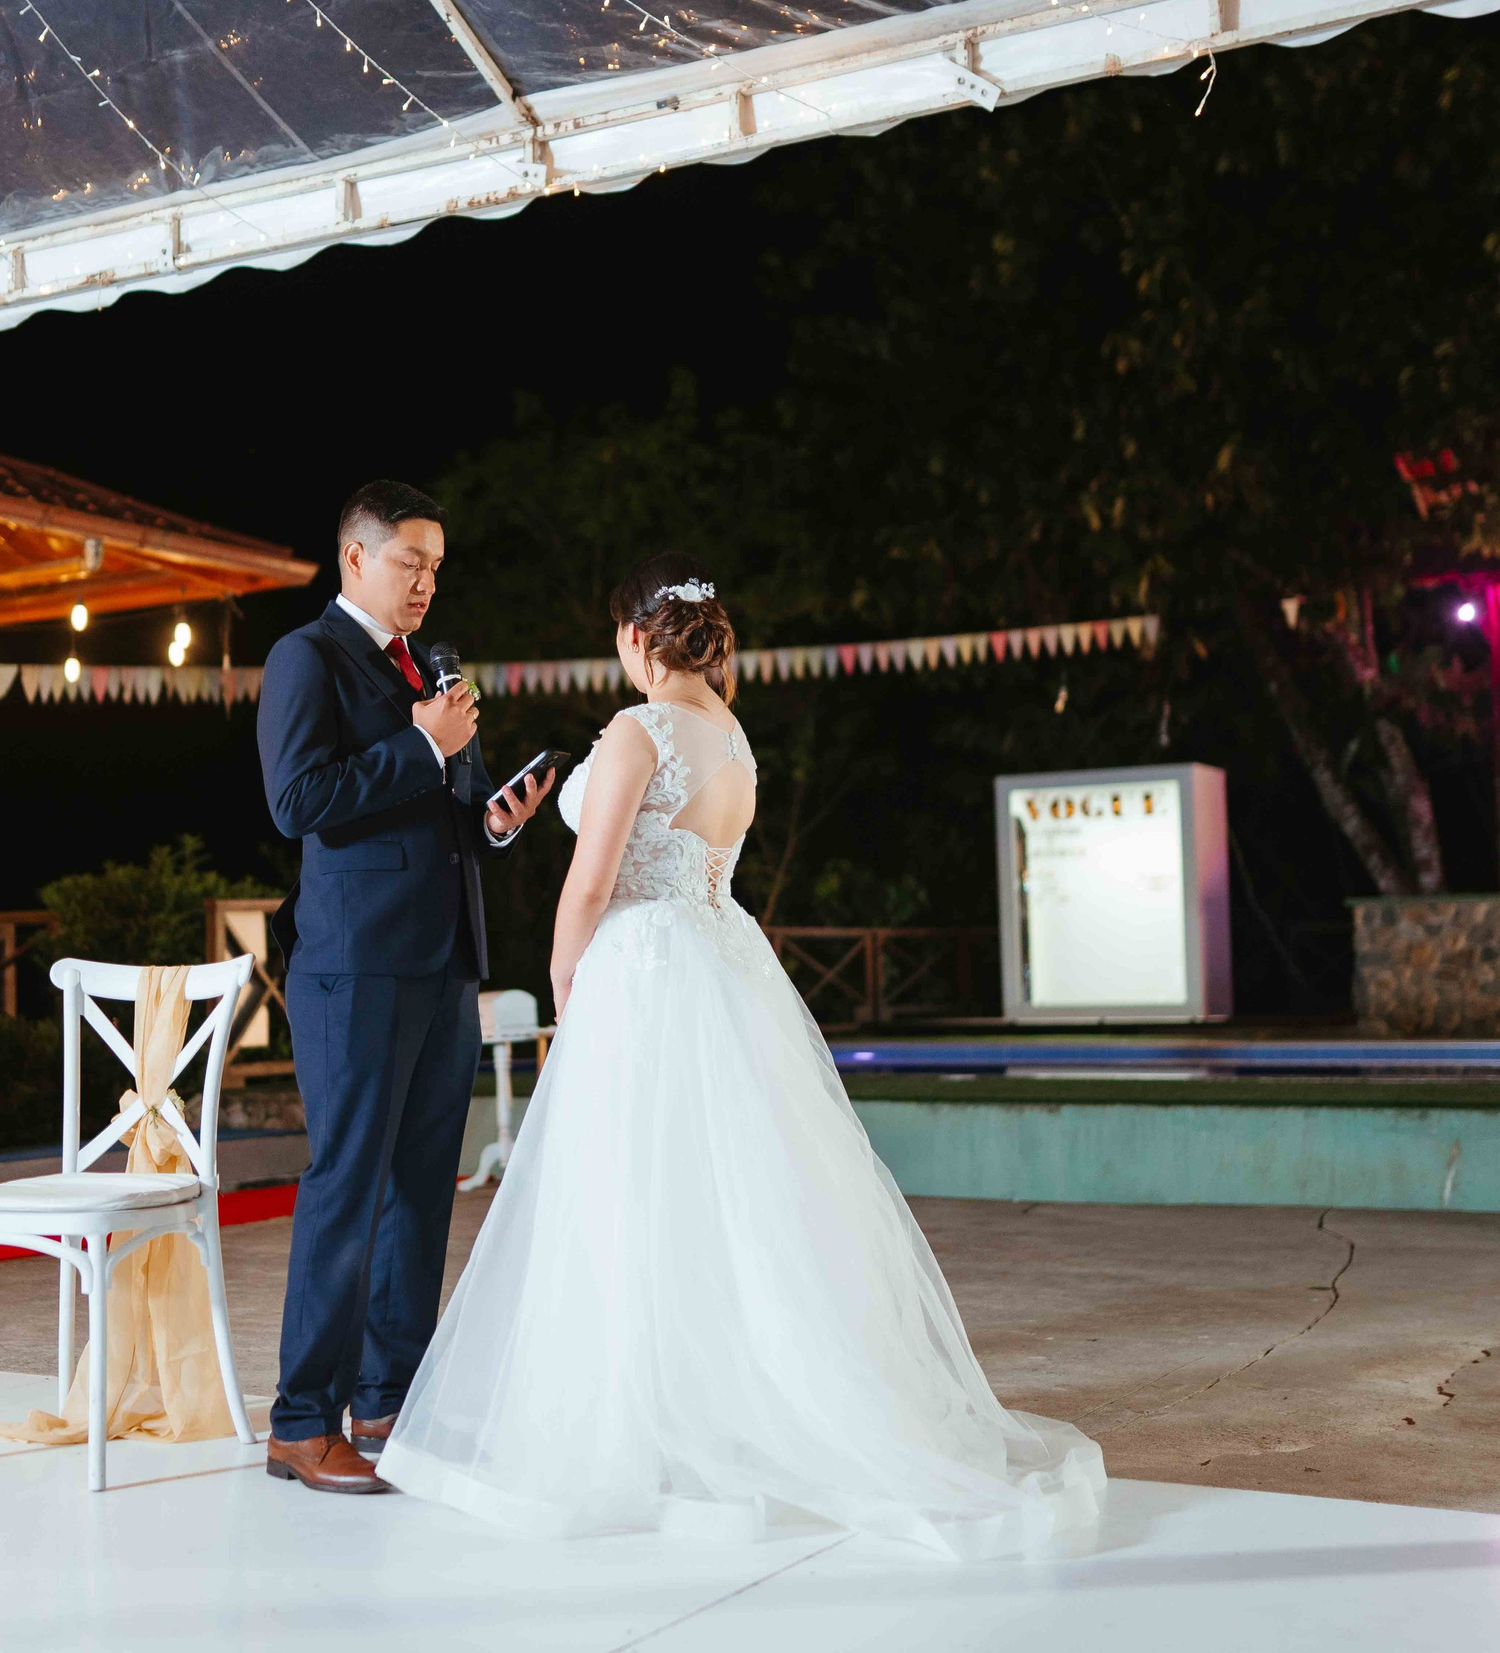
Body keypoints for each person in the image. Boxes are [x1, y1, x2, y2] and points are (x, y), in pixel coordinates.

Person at [374, 556, 1107, 1559]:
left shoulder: (639, 730)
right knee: (727, 1199)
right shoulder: (730, 734)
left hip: (640, 966)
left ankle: (638, 1421)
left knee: (627, 1194)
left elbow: (590, 885)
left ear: (636, 639)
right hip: (719, 962)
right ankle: (714, 1407)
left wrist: (562, 981)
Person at [253, 480, 553, 1494]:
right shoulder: (308, 658)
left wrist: (497, 818)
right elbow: (299, 802)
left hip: (441, 961)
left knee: (424, 1188)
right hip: (353, 966)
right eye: (408, 561)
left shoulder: (430, 666)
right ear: (353, 559)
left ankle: (388, 1395)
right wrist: (423, 744)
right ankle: (301, 1420)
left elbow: (450, 812)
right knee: (348, 1187)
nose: (427, 580)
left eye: (435, 563)